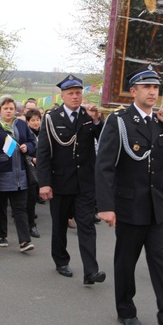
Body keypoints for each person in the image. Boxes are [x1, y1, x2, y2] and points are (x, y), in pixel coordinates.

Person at [95, 66, 163, 325]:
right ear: (133, 91)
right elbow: (104, 167)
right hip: (129, 206)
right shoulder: (120, 122)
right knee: (126, 262)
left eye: (156, 88)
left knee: (162, 265)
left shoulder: (161, 122)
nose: (152, 92)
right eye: (146, 87)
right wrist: (106, 205)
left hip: (157, 207)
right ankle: (125, 310)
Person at [37, 75, 104, 283]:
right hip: (60, 182)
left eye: (78, 93)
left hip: (84, 183)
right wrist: (44, 183)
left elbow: (103, 140)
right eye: (71, 93)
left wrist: (97, 121)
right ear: (63, 95)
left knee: (87, 226)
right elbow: (43, 153)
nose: (75, 97)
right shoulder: (51, 118)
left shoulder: (87, 116)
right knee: (59, 225)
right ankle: (61, 260)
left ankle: (91, 271)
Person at [0, 95, 36, 253]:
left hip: (20, 175)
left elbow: (33, 143)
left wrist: (27, 146)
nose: (8, 111)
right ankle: (2, 235)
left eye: (11, 108)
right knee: (0, 207)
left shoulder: (21, 125)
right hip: (0, 174)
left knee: (20, 208)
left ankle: (24, 241)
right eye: (5, 108)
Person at [24, 108, 41, 239]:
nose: (36, 123)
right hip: (29, 168)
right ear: (28, 121)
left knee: (35, 197)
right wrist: (32, 159)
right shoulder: (25, 134)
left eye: (38, 120)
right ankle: (31, 224)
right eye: (33, 120)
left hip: (42, 168)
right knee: (31, 196)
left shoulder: (44, 133)